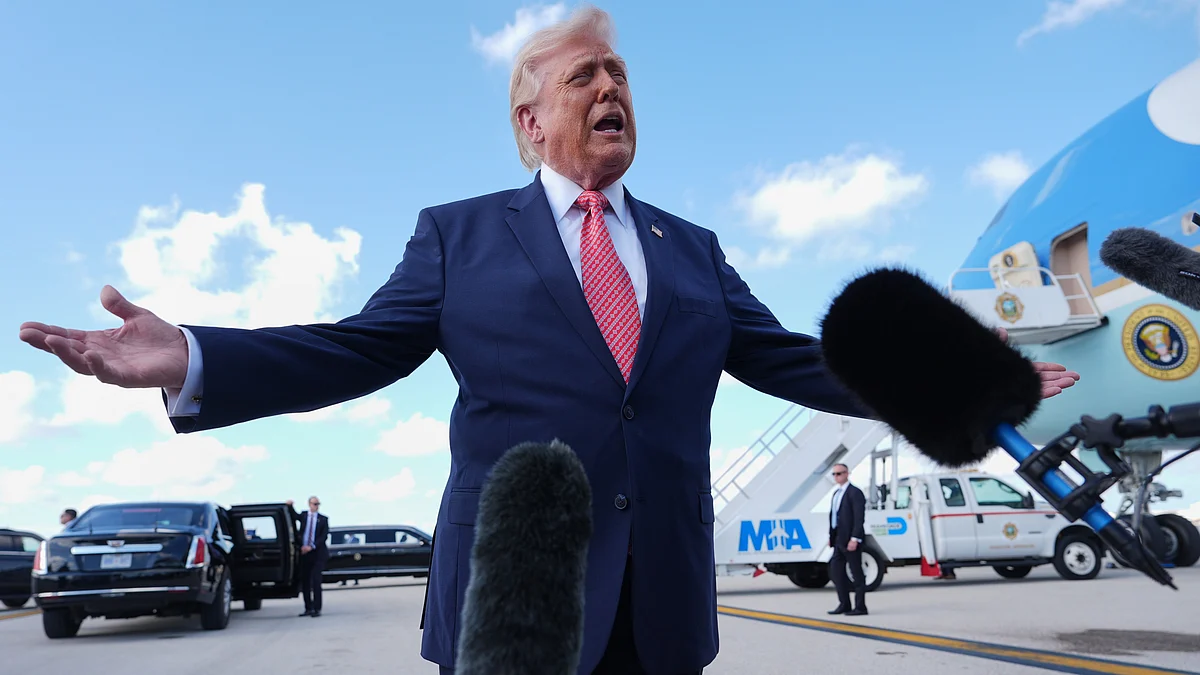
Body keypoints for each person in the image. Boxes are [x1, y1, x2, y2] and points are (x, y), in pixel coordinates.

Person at [17, 6, 1080, 673]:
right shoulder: (459, 236)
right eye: (584, 78)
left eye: (618, 79)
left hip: (659, 598)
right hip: (514, 599)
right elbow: (359, 348)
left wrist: (968, 383)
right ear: (530, 121)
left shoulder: (692, 248)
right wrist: (196, 355)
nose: (610, 91)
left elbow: (795, 359)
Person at [826, 464, 867, 616]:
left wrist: (855, 538)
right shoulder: (836, 493)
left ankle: (861, 606)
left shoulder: (855, 493)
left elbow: (858, 518)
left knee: (856, 573)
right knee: (836, 572)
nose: (837, 477)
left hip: (851, 540)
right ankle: (844, 604)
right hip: (838, 540)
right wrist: (832, 537)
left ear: (847, 474)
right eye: (834, 474)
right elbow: (834, 518)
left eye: (839, 474)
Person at [295, 496, 329, 617]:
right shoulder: (304, 516)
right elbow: (293, 516)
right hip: (304, 553)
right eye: (314, 504)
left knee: (316, 581)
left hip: (317, 553)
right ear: (309, 504)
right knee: (305, 582)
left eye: (318, 504)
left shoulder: (323, 519)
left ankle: (317, 608)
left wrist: (312, 546)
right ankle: (308, 607)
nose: (316, 506)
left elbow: (324, 536)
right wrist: (289, 506)